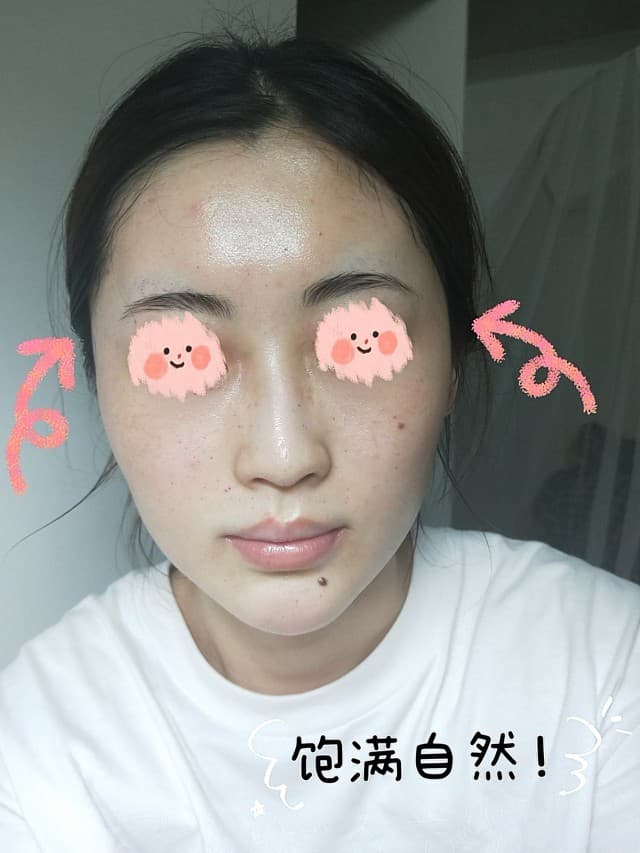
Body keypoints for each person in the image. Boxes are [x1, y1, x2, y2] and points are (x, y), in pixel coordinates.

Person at [1, 20, 638, 853]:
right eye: (179, 354)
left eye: (362, 341)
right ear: (97, 381)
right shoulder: (42, 737)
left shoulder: (605, 668)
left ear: (454, 361)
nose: (284, 455)